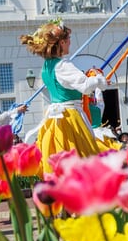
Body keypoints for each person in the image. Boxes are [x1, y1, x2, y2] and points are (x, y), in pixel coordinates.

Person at [21, 21, 109, 167]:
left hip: (55, 119)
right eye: (68, 39)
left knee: (60, 155)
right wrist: (99, 79)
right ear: (61, 42)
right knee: (81, 157)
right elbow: (86, 87)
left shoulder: (47, 66)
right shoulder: (63, 65)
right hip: (70, 117)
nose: (70, 42)